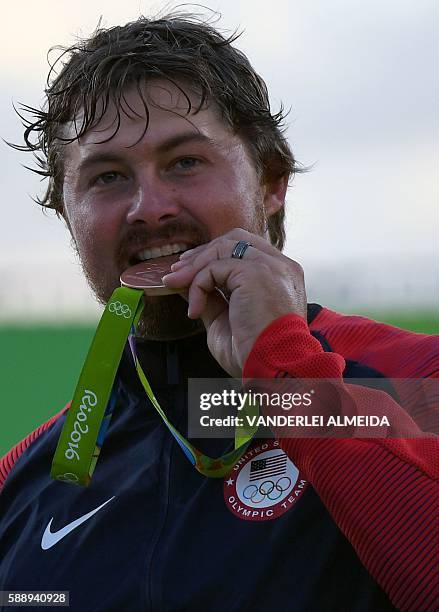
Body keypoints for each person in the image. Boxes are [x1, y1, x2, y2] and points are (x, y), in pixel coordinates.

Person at [0, 12, 437, 612]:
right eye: (106, 177)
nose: (148, 209)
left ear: (272, 183)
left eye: (185, 162)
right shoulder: (24, 477)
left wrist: (287, 371)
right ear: (67, 216)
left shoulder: (422, 379)